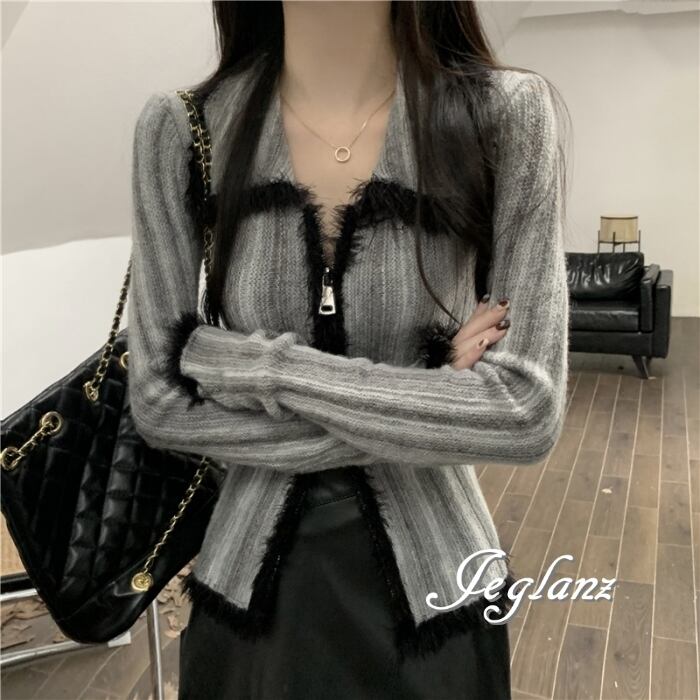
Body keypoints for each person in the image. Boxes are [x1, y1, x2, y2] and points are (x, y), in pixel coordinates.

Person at [127, 1, 571, 698]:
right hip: (246, 609)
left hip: (441, 602)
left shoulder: (507, 113)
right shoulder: (182, 130)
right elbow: (157, 403)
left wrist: (250, 366)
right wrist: (432, 387)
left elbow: (522, 411)